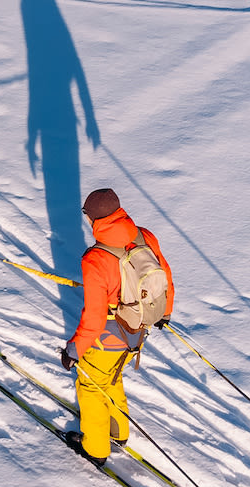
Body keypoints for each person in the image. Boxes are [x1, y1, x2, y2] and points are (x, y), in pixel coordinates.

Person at [60, 188, 174, 466]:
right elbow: (166, 276)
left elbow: (95, 316)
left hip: (109, 336)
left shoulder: (95, 259)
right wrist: (164, 313)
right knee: (111, 377)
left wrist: (74, 350)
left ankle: (96, 449)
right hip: (138, 328)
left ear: (93, 220)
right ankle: (118, 431)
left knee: (90, 384)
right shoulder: (144, 236)